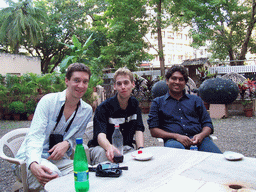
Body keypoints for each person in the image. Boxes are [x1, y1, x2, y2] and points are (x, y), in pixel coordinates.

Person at [14, 63, 93, 191]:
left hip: (57, 160)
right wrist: (33, 164)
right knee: (54, 177)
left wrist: (67, 144)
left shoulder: (86, 110)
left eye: (85, 81)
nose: (81, 86)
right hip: (29, 159)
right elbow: (35, 136)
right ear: (67, 81)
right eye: (76, 80)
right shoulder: (49, 101)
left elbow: (77, 139)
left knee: (85, 174)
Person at [147, 65, 222, 153]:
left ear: (185, 82)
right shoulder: (158, 103)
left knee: (218, 159)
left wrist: (201, 135)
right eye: (174, 78)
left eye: (181, 79)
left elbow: (208, 124)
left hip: (200, 140)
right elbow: (153, 130)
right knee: (180, 159)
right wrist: (176, 136)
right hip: (174, 141)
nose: (177, 82)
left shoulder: (196, 100)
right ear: (167, 81)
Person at [88, 67, 145, 165]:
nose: (123, 87)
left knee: (136, 163)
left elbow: (139, 129)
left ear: (133, 84)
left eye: (126, 83)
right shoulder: (103, 107)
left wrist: (141, 150)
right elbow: (100, 135)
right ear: (115, 86)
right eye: (119, 83)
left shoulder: (134, 104)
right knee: (105, 156)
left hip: (125, 148)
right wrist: (110, 148)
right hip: (102, 148)